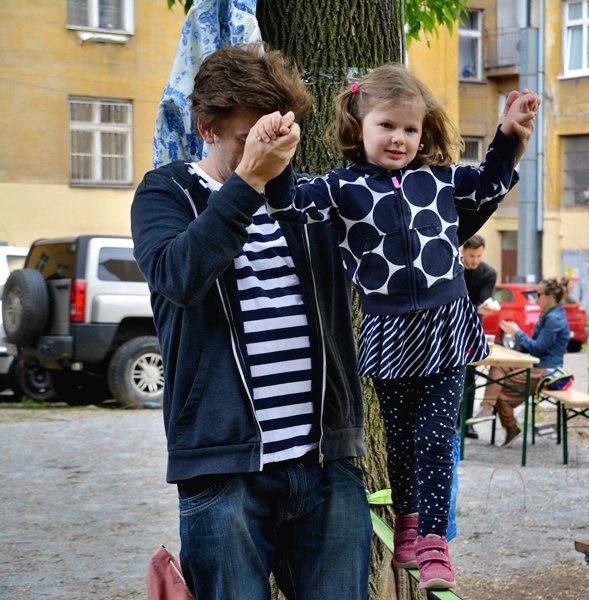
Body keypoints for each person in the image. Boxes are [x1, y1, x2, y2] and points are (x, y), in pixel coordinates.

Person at [131, 45, 503, 600]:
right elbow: (179, 276)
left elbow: (423, 221)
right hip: (226, 468)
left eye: (275, 138)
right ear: (206, 128)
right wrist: (246, 183)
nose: (265, 153)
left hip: (328, 466)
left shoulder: (308, 202)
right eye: (246, 140)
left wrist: (506, 147)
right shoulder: (170, 192)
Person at [263, 63, 539, 590]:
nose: (399, 138)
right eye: (387, 125)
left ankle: (435, 541)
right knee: (402, 441)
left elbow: (490, 184)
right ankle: (409, 525)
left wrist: (507, 135)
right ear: (359, 124)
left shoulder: (437, 179)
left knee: (436, 437)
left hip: (444, 326)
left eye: (410, 129)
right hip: (388, 333)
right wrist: (278, 159)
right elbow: (290, 205)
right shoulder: (341, 188)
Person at [475, 277, 571, 448]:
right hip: (536, 365)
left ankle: (510, 426)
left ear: (550, 297)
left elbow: (537, 348)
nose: (535, 297)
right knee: (498, 367)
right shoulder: (550, 315)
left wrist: (517, 333)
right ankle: (487, 407)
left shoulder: (553, 319)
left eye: (538, 294)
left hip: (547, 372)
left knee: (499, 388)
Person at [461, 234, 499, 434]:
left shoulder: (488, 273)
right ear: (463, 252)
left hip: (473, 329)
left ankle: (466, 423)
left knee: (471, 375)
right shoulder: (455, 269)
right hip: (451, 327)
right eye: (471, 256)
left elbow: (484, 301)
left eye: (478, 256)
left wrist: (480, 309)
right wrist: (476, 309)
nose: (475, 260)